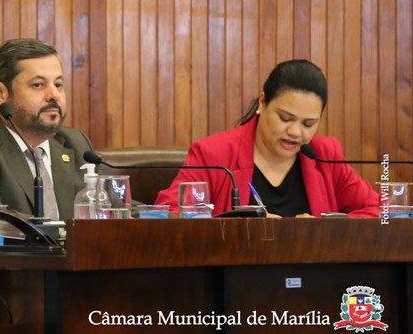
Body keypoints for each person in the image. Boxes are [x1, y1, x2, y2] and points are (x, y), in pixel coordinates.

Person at [155, 59, 379, 218]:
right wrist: (240, 231)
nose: (296, 132)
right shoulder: (214, 154)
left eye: (308, 124)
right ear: (263, 102)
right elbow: (168, 215)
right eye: (285, 118)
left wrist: (325, 229)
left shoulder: (325, 156)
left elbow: (381, 211)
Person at [0, 39, 94, 220]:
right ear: (0, 93)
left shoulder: (75, 143)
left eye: (58, 85)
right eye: (38, 85)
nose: (54, 95)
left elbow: (109, 211)